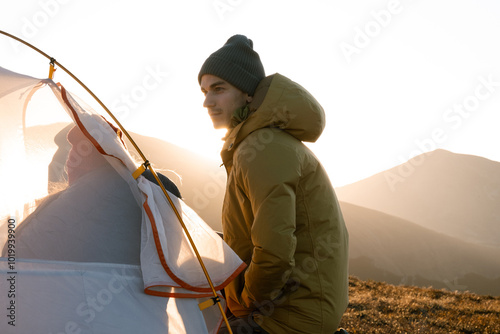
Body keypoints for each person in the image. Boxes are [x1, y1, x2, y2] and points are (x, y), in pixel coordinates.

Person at [198, 35, 349, 334]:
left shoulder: (262, 148)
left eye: (219, 89)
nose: (207, 102)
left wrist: (243, 304)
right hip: (297, 305)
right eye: (204, 91)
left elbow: (275, 253)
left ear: (249, 94)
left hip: (287, 317)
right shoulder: (257, 142)